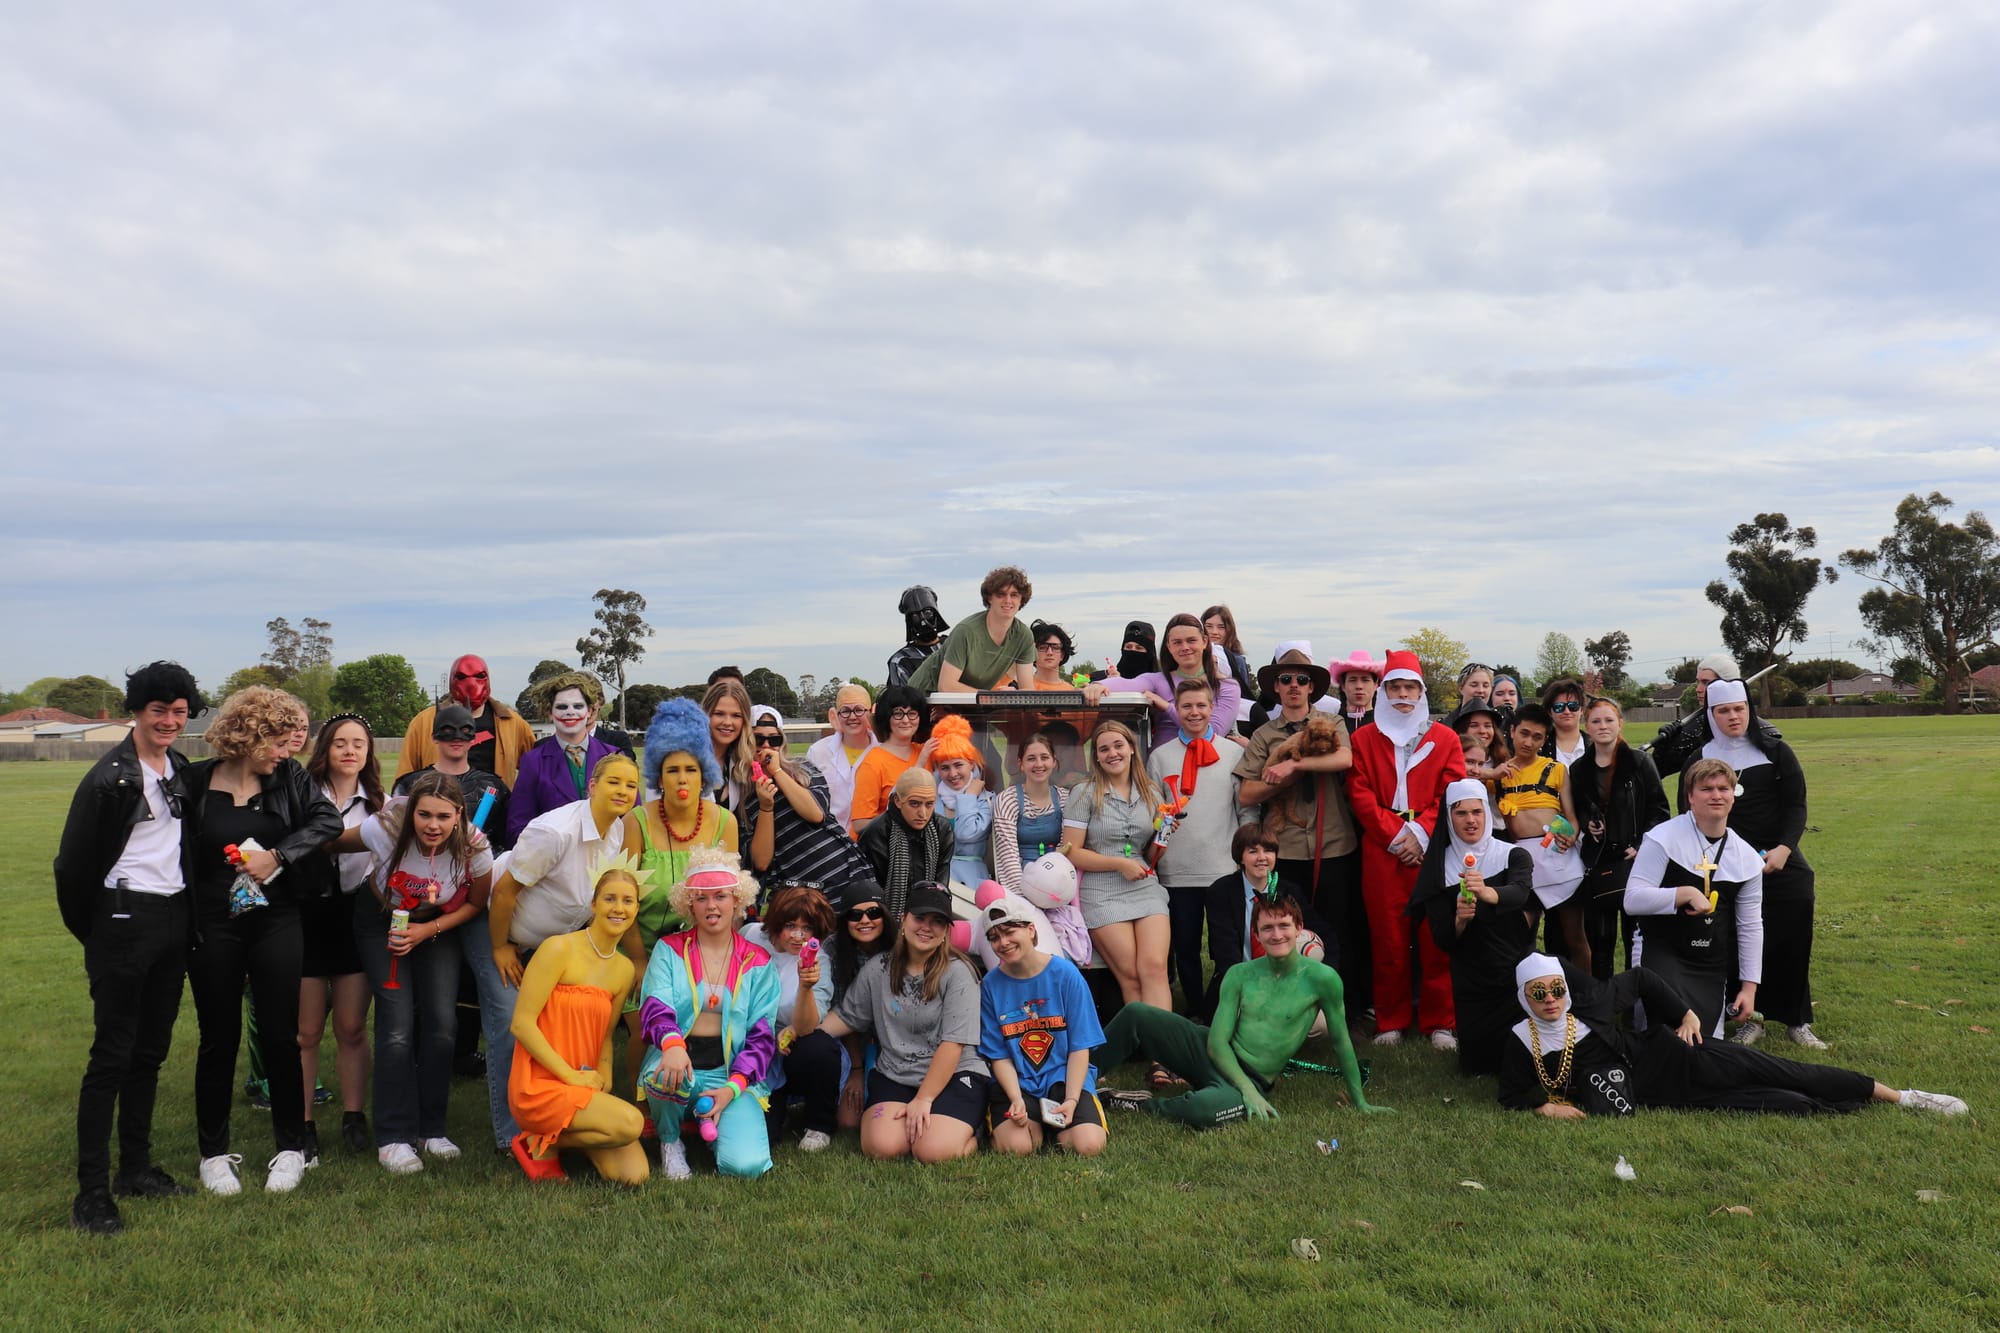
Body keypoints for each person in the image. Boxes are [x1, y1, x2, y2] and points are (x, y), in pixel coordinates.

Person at [174, 686, 342, 1197]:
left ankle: (291, 1148)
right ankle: (213, 1154)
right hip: (213, 922)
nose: (288, 748)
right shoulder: (195, 780)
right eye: (277, 738)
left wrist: (280, 857)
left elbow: (327, 821)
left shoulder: (289, 777)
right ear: (249, 734)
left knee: (280, 1035)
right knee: (217, 1037)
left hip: (277, 919)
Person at [56, 661, 203, 1234]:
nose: (168, 721)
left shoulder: (179, 769)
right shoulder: (107, 778)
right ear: (136, 712)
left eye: (178, 712)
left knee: (150, 1052)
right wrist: (97, 933)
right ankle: (91, 1192)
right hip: (121, 919)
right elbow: (72, 868)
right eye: (158, 710)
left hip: (172, 918)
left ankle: (135, 1168)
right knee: (112, 1055)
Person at [1501, 954, 1967, 1118]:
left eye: (1556, 988)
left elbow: (1642, 977)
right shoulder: (1523, 1039)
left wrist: (1685, 1015)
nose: (1550, 1000)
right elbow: (1510, 1091)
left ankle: (1902, 1097)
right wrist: (1543, 1105)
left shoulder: (1593, 1004)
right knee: (1784, 1103)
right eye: (1538, 993)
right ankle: (1840, 1102)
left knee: (1780, 1068)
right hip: (1667, 1097)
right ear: (1525, 997)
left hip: (1682, 1059)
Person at [1095, 893, 1389, 1126]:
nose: (1277, 935)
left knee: (1203, 1112)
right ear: (1257, 934)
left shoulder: (1322, 980)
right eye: (1267, 928)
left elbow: (1341, 1042)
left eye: (1284, 926)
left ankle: (1134, 1103)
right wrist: (1247, 1094)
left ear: (1299, 929)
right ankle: (1074, 1081)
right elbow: (1217, 1043)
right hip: (1210, 1050)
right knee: (1137, 1014)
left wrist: (1360, 1101)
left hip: (1252, 1077)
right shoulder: (1240, 973)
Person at [482, 753, 645, 1148]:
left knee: (561, 1026)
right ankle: (511, 1136)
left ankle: (565, 1111)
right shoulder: (555, 832)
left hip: (552, 946)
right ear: (592, 785)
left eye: (630, 785)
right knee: (510, 1022)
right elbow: (505, 892)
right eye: (614, 783)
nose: (623, 791)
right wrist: (502, 947)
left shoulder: (618, 831)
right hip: (498, 928)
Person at [341, 772, 492, 1174]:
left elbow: (475, 904)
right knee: (396, 1024)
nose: (432, 825)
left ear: (459, 815)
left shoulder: (475, 846)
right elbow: (334, 841)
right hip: (379, 919)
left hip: (435, 926)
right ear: (411, 812)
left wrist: (426, 930)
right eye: (424, 814)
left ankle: (431, 1128)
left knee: (443, 1024)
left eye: (443, 817)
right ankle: (393, 1136)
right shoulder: (387, 827)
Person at [817, 884, 990, 1162]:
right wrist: (802, 1033)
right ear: (903, 919)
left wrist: (924, 1099)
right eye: (920, 918)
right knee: (882, 1147)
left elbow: (953, 1044)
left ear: (947, 930)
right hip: (896, 1073)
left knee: (932, 1151)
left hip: (954, 1072)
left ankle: (974, 1132)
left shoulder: (958, 973)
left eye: (937, 922)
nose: (926, 927)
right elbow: (846, 1017)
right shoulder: (878, 968)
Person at [1691, 680, 1821, 1048]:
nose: (1733, 717)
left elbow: (1796, 806)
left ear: (1750, 710)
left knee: (1795, 917)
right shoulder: (1700, 757)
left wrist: (1784, 849)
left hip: (1777, 857)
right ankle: (1750, 1018)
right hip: (1725, 861)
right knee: (1735, 938)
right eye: (1724, 710)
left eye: (1739, 708)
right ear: (1711, 714)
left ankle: (1797, 1019)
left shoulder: (1776, 751)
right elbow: (1691, 811)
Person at [636, 850, 781, 1180]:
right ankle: (671, 1141)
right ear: (689, 904)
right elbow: (656, 1007)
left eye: (720, 896)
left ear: (737, 899)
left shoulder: (758, 962)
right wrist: (672, 1046)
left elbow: (762, 1037)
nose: (711, 906)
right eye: (701, 898)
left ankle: (714, 1119)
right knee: (664, 1074)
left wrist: (732, 1088)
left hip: (729, 1075)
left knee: (745, 1167)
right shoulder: (669, 949)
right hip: (677, 1063)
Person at [1347, 651, 1467, 1049]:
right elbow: (1359, 793)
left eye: (1410, 688)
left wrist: (1421, 832)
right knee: (1388, 938)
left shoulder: (1445, 738)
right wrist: (1397, 836)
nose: (1402, 695)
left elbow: (1453, 791)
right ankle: (1391, 1019)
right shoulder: (1363, 738)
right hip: (1383, 850)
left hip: (1432, 848)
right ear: (1384, 691)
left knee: (1436, 935)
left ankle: (1441, 1021)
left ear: (1421, 692)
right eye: (1395, 687)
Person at [506, 860, 650, 1184]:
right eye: (610, 898)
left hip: (582, 1082)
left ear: (637, 909)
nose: (618, 908)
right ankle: (537, 1139)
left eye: (628, 901)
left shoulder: (624, 970)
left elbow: (606, 1035)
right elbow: (521, 1024)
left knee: (634, 1175)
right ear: (594, 904)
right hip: (540, 1084)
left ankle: (547, 1141)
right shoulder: (558, 948)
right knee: (630, 1124)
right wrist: (569, 1075)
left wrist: (604, 1078)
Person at [1234, 646, 1360, 1007]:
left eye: (1301, 680)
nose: (1293, 685)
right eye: (1285, 679)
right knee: (1286, 930)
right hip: (1284, 849)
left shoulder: (1331, 724)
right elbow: (1247, 792)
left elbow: (1343, 758)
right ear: (1276, 687)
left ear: (1311, 688)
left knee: (1338, 931)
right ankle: (1290, 1007)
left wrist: (1294, 766)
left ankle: (1342, 1008)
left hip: (1333, 846)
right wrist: (1280, 781)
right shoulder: (1263, 735)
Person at [1624, 758, 1763, 1038]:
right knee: (1665, 1033)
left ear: (1733, 797)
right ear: (1690, 797)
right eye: (1707, 788)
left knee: (1706, 1042)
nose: (1716, 795)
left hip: (1709, 959)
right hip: (1661, 948)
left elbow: (1750, 925)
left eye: (1724, 789)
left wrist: (1749, 988)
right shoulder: (1662, 838)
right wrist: (1683, 894)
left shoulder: (1746, 857)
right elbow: (1633, 900)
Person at [297, 713, 384, 1160]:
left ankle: (354, 1116)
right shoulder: (301, 795)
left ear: (368, 753)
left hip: (355, 917)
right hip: (308, 916)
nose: (350, 751)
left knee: (351, 1026)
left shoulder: (380, 804)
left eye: (359, 744)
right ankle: (303, 1121)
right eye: (340, 743)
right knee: (306, 1030)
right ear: (325, 749)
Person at [1411, 781, 1537, 1076]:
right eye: (1462, 813)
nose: (1471, 820)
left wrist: (1486, 893)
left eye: (1477, 812)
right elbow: (1442, 939)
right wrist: (1460, 921)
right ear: (1449, 818)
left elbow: (1520, 893)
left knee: (1520, 1060)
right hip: (1472, 979)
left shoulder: (1512, 855)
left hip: (1514, 968)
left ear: (1486, 813)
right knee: (1476, 1067)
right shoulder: (1437, 868)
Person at [1148, 678, 1253, 1015]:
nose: (1194, 712)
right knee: (1185, 948)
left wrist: (1246, 854)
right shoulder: (1160, 757)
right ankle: (1193, 1010)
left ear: (1212, 708)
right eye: (1187, 706)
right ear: (1176, 710)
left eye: (1201, 705)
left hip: (1223, 866)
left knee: (1227, 947)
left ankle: (1224, 1010)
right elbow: (1152, 811)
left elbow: (1245, 808)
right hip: (1177, 870)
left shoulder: (1233, 752)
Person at [1064, 720, 1173, 1042]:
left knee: (1154, 967)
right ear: (1096, 757)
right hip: (1101, 891)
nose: (1112, 753)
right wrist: (1118, 864)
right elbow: (1070, 852)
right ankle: (1151, 1048)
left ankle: (1166, 1055)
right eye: (1104, 749)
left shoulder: (1151, 792)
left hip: (1144, 885)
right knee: (1131, 975)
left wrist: (1164, 835)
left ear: (1131, 748)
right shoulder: (1084, 792)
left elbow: (1151, 854)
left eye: (1118, 745)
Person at [979, 896, 1108, 1156]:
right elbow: (999, 1055)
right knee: (1019, 1147)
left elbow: (1080, 1046)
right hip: (1017, 1082)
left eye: (1009, 931)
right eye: (994, 937)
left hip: (1062, 1077)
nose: (1003, 942)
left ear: (1031, 929)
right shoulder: (990, 986)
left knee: (1088, 1145)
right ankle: (1035, 1126)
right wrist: (1016, 1099)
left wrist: (1072, 1099)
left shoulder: (1066, 975)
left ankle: (1057, 1120)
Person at [785, 880, 898, 1146]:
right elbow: (842, 1015)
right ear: (844, 920)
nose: (865, 921)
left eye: (873, 912)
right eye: (854, 915)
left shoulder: (899, 946)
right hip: (852, 1038)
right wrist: (856, 1070)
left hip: (894, 1037)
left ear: (884, 914)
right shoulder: (834, 950)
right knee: (849, 1120)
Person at [1569, 698, 1669, 980]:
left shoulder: (1639, 762)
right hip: (1598, 862)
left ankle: (1634, 1002)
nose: (1603, 727)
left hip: (1635, 861)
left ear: (1620, 724)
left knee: (1635, 938)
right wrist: (1589, 824)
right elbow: (1577, 809)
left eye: (1609, 720)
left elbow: (1659, 810)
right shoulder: (1578, 769)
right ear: (1586, 726)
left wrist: (1641, 845)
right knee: (1600, 939)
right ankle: (1604, 1004)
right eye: (1596, 721)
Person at [741, 883, 838, 1149]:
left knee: (819, 1048)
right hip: (749, 1043)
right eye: (791, 926)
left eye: (807, 929)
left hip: (790, 1047)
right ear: (774, 923)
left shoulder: (821, 961)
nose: (798, 936)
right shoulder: (750, 936)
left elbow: (810, 1025)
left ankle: (819, 1124)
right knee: (763, 1137)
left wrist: (805, 989)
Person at [1491, 703, 1587, 967]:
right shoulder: (1500, 774)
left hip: (1557, 856)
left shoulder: (1555, 769)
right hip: (1522, 862)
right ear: (1511, 731)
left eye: (1537, 737)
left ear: (1545, 739)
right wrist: (1491, 773)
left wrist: (1572, 835)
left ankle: (1589, 1001)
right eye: (1524, 733)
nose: (1529, 742)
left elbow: (1571, 817)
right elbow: (1461, 776)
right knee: (1519, 937)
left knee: (1575, 938)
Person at [745, 708, 869, 895]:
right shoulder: (745, 797)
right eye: (758, 739)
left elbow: (816, 814)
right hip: (797, 890)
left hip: (846, 872)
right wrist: (766, 807)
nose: (766, 746)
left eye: (774, 739)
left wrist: (778, 772)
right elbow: (761, 862)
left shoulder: (804, 769)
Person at [1089, 612, 1244, 750]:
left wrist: (1165, 706)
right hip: (1161, 770)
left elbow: (1213, 731)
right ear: (1168, 646)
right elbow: (1127, 684)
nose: (1185, 647)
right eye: (1177, 642)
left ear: (1204, 642)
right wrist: (1097, 686)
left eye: (1191, 640)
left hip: (1208, 767)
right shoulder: (1157, 680)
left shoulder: (1227, 686)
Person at [1201, 825, 1308, 1017]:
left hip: (1285, 980)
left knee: (1319, 1025)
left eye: (1268, 850)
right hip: (1239, 980)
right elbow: (1224, 952)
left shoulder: (1290, 891)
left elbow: (1319, 933)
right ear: (1240, 857)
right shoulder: (1220, 891)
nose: (1262, 858)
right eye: (1253, 851)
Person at [506, 671, 621, 844]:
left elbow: (631, 819)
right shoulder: (533, 762)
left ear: (590, 711)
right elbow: (518, 827)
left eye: (578, 706)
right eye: (561, 707)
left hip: (606, 863)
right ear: (550, 713)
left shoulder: (615, 757)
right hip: (553, 866)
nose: (570, 712)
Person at [396, 654, 536, 786]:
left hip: (495, 805)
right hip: (439, 805)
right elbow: (404, 779)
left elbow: (537, 769)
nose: (470, 683)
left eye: (479, 676)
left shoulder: (513, 723)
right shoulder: (423, 722)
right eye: (461, 676)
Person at [394, 704, 511, 848]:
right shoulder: (410, 784)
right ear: (434, 737)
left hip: (478, 865)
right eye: (448, 730)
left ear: (473, 738)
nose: (457, 737)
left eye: (465, 730)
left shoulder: (494, 788)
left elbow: (504, 842)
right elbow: (395, 837)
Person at [907, 565, 1037, 693]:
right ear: (990, 598)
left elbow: (1027, 689)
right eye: (1001, 594)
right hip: (922, 696)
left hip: (968, 700)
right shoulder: (966, 631)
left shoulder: (1024, 636)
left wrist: (1013, 693)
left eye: (1014, 595)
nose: (1008, 600)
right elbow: (946, 686)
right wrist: (992, 697)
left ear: (1022, 599)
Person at [1647, 651, 1779, 775]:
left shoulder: (1766, 733)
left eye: (1706, 682)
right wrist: (1664, 748)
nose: (1698, 689)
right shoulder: (1693, 730)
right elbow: (1654, 774)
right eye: (1698, 682)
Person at [858, 768, 952, 921]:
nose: (922, 813)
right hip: (884, 920)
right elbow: (872, 890)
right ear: (897, 801)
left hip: (927, 915)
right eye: (914, 804)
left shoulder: (942, 829)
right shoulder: (877, 832)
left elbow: (940, 886)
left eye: (929, 804)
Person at [990, 732, 1073, 894]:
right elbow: (1008, 859)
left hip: (1057, 885)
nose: (1038, 764)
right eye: (1031, 759)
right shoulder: (1007, 800)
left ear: (1054, 762)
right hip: (1020, 884)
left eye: (1044, 757)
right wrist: (1023, 900)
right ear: (1021, 764)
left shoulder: (1065, 798)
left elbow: (1065, 850)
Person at [848, 685, 934, 834]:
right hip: (882, 850)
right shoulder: (873, 762)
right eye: (898, 714)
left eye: (912, 713)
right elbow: (860, 824)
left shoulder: (926, 751)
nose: (906, 720)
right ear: (887, 717)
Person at [926, 715, 994, 886]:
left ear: (971, 764)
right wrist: (921, 763)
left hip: (971, 885)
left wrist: (968, 797)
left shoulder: (987, 799)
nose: (953, 774)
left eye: (958, 765)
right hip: (934, 882)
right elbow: (896, 804)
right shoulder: (929, 796)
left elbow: (966, 833)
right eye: (944, 767)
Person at [803, 683, 876, 831]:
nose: (852, 717)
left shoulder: (883, 750)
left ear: (871, 712)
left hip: (871, 839)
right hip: (829, 840)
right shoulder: (818, 752)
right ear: (835, 715)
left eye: (859, 710)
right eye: (845, 711)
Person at [702, 678, 758, 827]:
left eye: (736, 715)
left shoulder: (743, 763)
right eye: (719, 713)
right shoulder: (682, 757)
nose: (727, 722)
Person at [885, 585, 950, 690]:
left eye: (927, 613)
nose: (923, 620)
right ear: (909, 620)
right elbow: (900, 700)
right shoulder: (900, 660)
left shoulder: (954, 645)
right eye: (915, 616)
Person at [1202, 605, 1256, 721]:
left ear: (1229, 630)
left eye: (1221, 627)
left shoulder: (1238, 661)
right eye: (1209, 626)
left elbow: (1243, 696)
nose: (1214, 632)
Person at [1537, 677, 1590, 769]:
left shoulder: (1594, 745)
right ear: (1550, 712)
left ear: (1581, 709)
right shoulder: (1540, 747)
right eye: (1559, 707)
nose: (1567, 711)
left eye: (1573, 706)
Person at [1028, 619, 1085, 690]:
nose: (1049, 652)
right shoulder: (1021, 688)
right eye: (1042, 647)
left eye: (1055, 647)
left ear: (1062, 654)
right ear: (1031, 652)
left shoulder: (1072, 692)